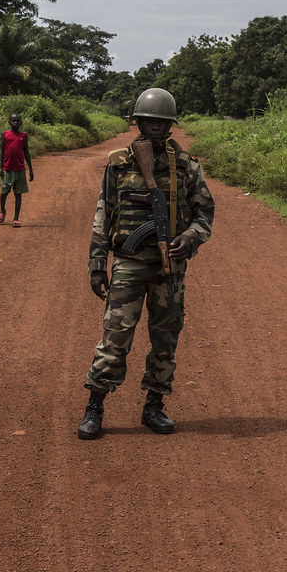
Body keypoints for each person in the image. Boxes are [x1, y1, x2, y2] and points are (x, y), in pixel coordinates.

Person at [76, 88, 215, 439]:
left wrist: (190, 238)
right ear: (137, 122)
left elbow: (204, 212)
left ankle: (154, 405)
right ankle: (95, 407)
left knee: (166, 337)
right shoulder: (119, 163)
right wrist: (97, 262)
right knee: (116, 335)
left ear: (170, 126)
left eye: (161, 122)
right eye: (149, 120)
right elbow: (103, 212)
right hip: (129, 262)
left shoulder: (186, 165)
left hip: (170, 268)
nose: (155, 126)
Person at [0, 113, 34, 227]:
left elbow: (26, 152)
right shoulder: (5, 134)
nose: (15, 123)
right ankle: (2, 210)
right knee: (4, 193)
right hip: (7, 169)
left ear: (21, 123)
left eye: (17, 121)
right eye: (13, 121)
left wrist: (31, 170)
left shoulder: (24, 136)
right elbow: (1, 151)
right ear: (9, 122)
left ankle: (16, 218)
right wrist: (0, 167)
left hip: (20, 170)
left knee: (18, 194)